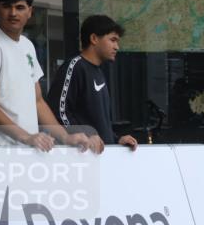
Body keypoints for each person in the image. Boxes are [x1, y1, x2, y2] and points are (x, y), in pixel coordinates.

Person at [0, 0, 90, 151]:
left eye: (19, 7)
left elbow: (38, 101)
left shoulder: (27, 45)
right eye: (6, 6)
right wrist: (25, 136)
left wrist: (65, 137)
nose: (13, 13)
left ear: (30, 11)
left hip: (25, 145)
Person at [47, 15, 138, 153]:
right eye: (113, 40)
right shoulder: (74, 67)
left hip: (101, 157)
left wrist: (116, 139)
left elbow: (98, 122)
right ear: (94, 38)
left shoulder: (98, 72)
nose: (117, 47)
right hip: (81, 157)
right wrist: (83, 136)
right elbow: (57, 112)